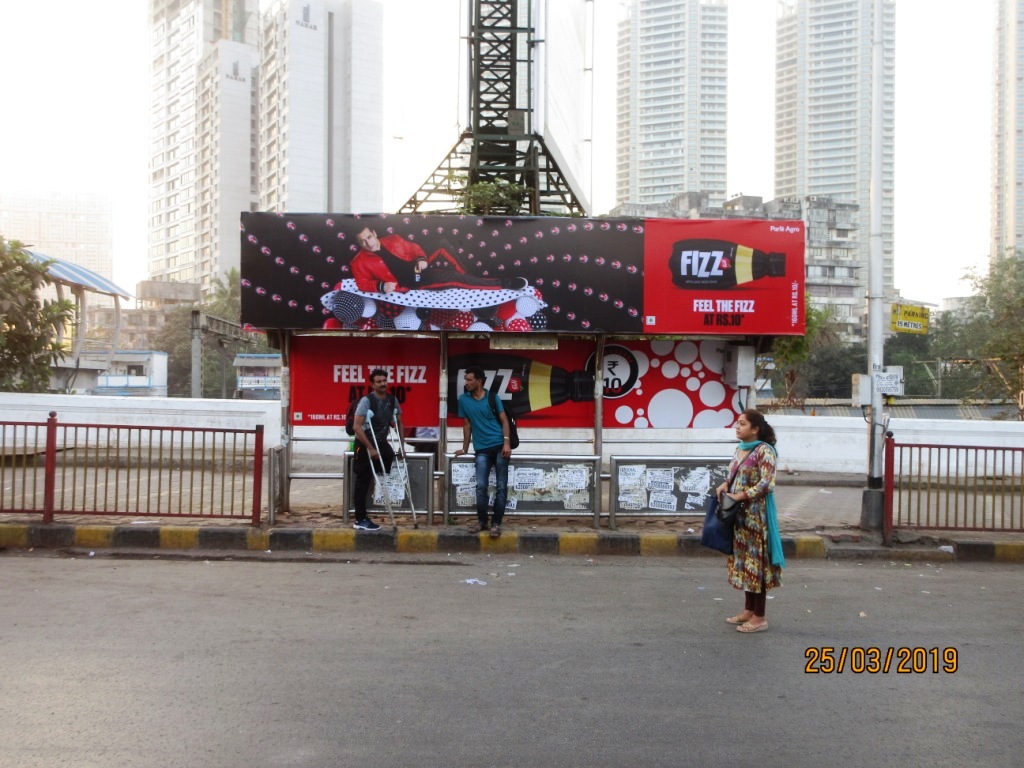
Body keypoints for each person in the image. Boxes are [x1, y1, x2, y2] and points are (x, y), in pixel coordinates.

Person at [715, 409, 785, 634]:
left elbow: (767, 484)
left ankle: (760, 616)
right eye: (738, 423)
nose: (737, 427)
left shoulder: (765, 451)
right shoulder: (740, 449)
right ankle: (748, 610)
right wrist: (726, 485)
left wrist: (740, 496)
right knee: (745, 563)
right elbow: (736, 476)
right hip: (740, 518)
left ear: (755, 429)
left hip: (756, 518)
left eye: (742, 424)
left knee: (757, 566)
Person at [350, 226, 528, 294]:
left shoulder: (393, 239)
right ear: (360, 244)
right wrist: (381, 286)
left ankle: (470, 275)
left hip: (418, 268)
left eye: (369, 237)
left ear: (374, 233)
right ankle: (504, 283)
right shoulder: (358, 262)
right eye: (363, 241)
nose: (368, 243)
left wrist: (420, 258)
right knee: (458, 279)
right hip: (414, 282)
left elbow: (413, 248)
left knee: (440, 243)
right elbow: (362, 283)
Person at [453, 366, 513, 538]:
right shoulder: (463, 400)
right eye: (466, 380)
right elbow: (467, 425)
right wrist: (464, 448)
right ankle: (482, 521)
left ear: (479, 381)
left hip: (500, 446)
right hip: (481, 449)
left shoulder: (493, 397)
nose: (466, 383)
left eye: (469, 380)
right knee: (481, 486)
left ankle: (496, 523)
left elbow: (504, 420)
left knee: (501, 486)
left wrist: (507, 443)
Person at [351, 369, 406, 531]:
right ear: (372, 384)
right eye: (379, 382)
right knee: (363, 480)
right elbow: (356, 427)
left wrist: (402, 446)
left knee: (387, 455)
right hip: (365, 441)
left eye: (384, 381)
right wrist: (370, 448)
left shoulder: (392, 400)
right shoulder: (366, 401)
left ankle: (376, 478)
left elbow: (400, 423)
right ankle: (360, 519)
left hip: (381, 441)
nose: (383, 384)